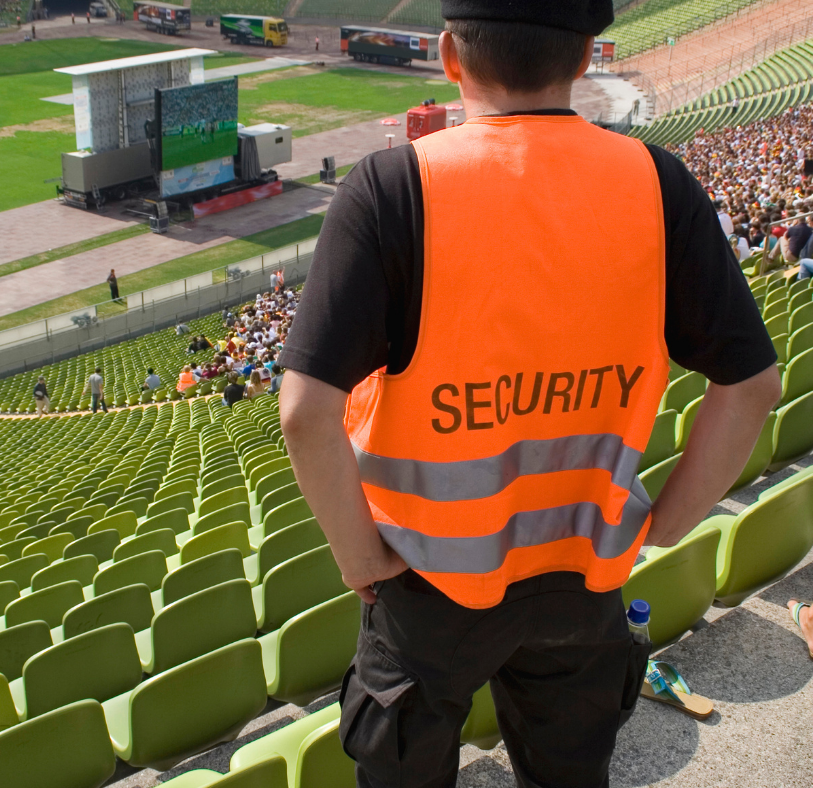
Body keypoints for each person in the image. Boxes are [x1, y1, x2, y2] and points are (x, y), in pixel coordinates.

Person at [278, 2, 781, 786]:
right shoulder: (657, 183)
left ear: (448, 55)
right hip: (586, 577)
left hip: (426, 583)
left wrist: (359, 559)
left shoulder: (392, 188)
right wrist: (667, 524)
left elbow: (306, 413)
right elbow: (751, 385)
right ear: (585, 58)